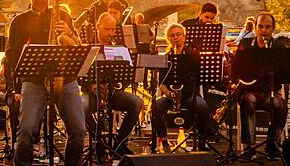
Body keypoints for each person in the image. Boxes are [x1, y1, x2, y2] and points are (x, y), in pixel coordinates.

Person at [5, 0, 85, 166]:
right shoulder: (19, 21)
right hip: (34, 81)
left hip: (65, 79)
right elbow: (11, 57)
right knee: (26, 130)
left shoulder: (63, 15)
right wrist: (18, 82)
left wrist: (70, 35)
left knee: (79, 130)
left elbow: (79, 47)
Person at [82, 13, 143, 156]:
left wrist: (117, 85)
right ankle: (98, 142)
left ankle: (120, 143)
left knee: (137, 102)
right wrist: (92, 85)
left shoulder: (120, 48)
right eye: (106, 29)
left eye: (113, 30)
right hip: (91, 94)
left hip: (113, 93)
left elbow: (128, 75)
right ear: (98, 27)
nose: (110, 33)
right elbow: (79, 75)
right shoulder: (88, 48)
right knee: (81, 106)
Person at [236, 12, 290, 160]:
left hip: (270, 92)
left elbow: (287, 73)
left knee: (281, 106)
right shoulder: (245, 45)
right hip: (250, 91)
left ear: (273, 29)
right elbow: (237, 70)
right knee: (247, 100)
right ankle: (249, 148)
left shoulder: (279, 46)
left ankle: (272, 145)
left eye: (268, 27)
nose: (264, 30)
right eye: (260, 26)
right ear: (255, 28)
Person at [151, 23, 211, 152]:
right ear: (168, 38)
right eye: (172, 35)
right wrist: (168, 94)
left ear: (184, 37)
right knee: (155, 106)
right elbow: (162, 82)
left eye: (178, 35)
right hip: (171, 96)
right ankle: (164, 139)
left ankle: (201, 140)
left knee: (203, 108)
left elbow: (199, 78)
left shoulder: (193, 54)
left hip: (189, 95)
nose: (176, 38)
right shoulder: (165, 57)